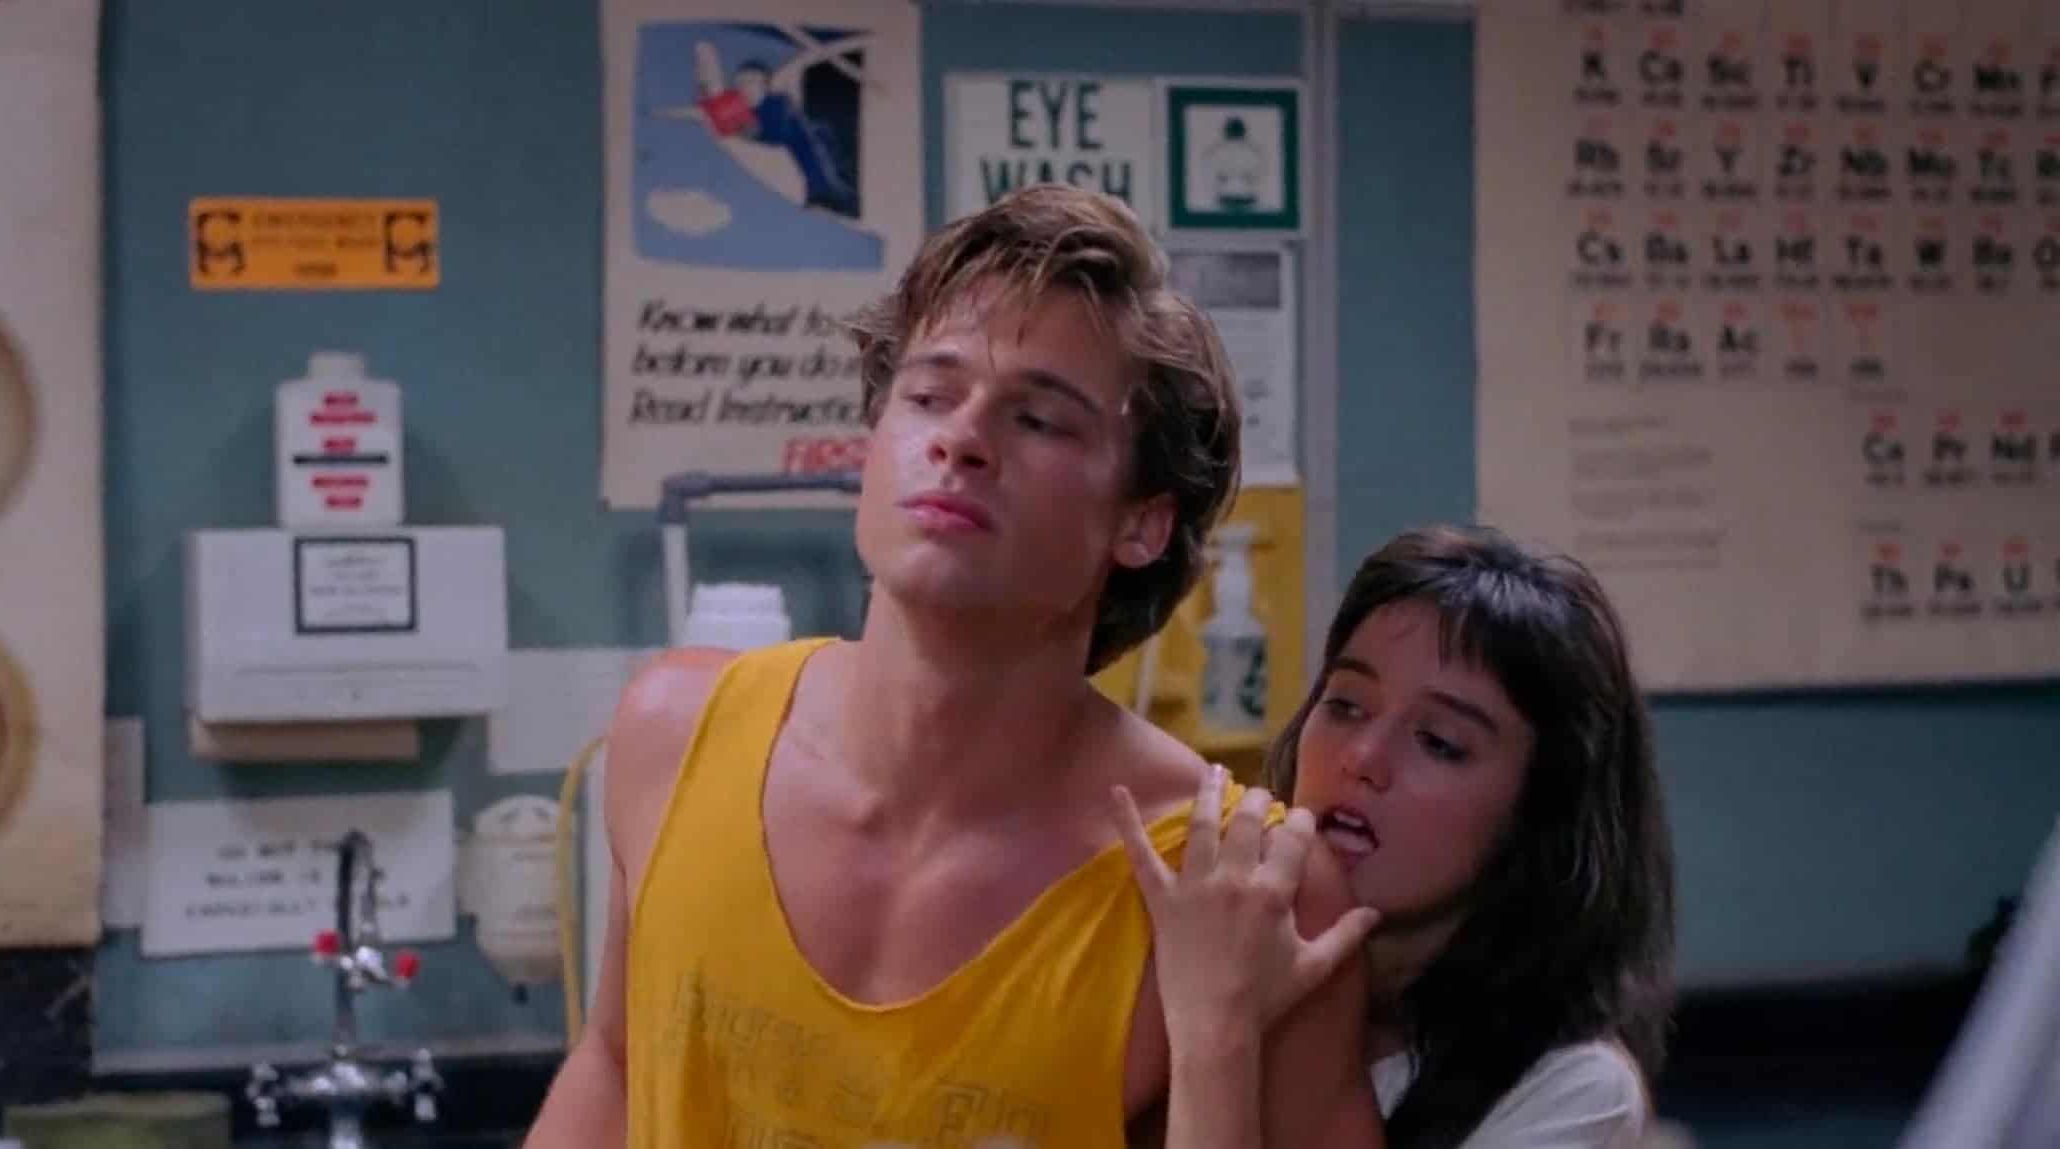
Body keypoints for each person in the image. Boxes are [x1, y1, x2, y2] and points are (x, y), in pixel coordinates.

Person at [524, 183, 1380, 1148]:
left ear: (1141, 523)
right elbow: (615, 1066)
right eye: (930, 395)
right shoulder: (674, 735)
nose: (962, 439)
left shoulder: (1242, 889)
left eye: (1038, 419)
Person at [1113, 524, 1679, 1148]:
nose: (1362, 757)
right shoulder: (1179, 941)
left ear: (1539, 814)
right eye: (1346, 705)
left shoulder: (1573, 1092)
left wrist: (1214, 1033)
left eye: (1438, 742)